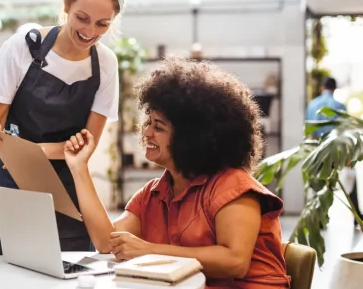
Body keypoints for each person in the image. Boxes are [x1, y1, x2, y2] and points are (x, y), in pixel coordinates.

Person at [64, 57, 291, 288]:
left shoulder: (234, 185)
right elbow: (107, 243)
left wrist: (149, 250)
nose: (147, 133)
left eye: (158, 127)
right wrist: (79, 167)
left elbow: (234, 261)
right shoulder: (153, 193)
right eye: (148, 123)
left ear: (191, 138)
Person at [0, 0, 124, 257]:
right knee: (7, 273)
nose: (90, 31)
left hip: (69, 187)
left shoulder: (105, 64)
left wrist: (31, 151)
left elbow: (87, 145)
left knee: (72, 272)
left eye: (102, 24)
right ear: (66, 5)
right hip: (13, 178)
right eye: (82, 18)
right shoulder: (22, 47)